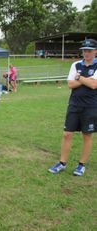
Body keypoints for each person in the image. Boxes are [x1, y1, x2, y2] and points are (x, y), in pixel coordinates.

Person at [48, 38, 97, 176]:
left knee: (87, 135)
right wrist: (86, 79)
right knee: (67, 134)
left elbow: (94, 85)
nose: (86, 53)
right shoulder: (76, 65)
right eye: (84, 51)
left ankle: (81, 165)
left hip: (91, 106)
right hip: (74, 104)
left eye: (89, 50)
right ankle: (62, 163)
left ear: (95, 51)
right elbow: (70, 84)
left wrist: (79, 78)